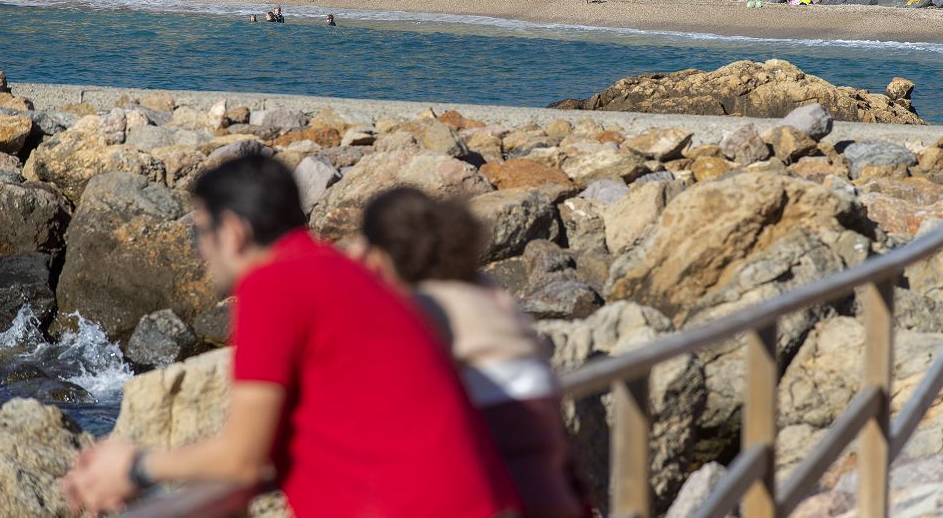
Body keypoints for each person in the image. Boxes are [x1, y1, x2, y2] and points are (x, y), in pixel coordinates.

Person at [61, 156, 522, 518]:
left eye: (202, 232)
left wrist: (134, 466)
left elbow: (244, 458)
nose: (200, 250)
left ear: (235, 232)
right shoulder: (339, 269)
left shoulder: (274, 286)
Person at [354, 187, 590, 518]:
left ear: (377, 254)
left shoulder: (421, 309)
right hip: (553, 489)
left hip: (494, 495)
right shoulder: (487, 293)